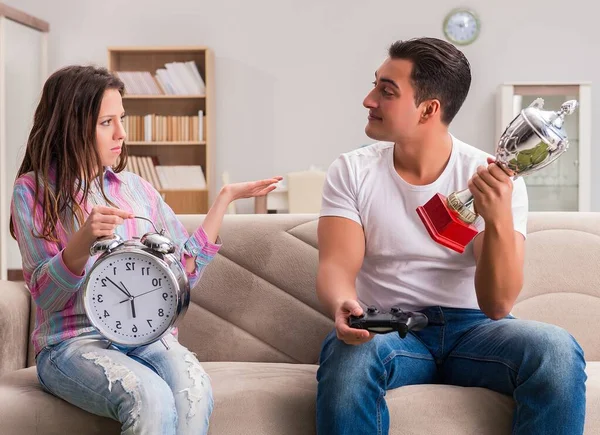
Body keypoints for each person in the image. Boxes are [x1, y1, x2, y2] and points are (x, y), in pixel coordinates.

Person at [315, 37, 586, 435]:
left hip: (477, 329)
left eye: (386, 91)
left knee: (558, 350)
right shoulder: (351, 171)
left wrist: (496, 220)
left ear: (428, 109)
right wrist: (341, 303)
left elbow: (497, 304)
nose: (369, 100)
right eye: (375, 85)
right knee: (350, 353)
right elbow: (337, 264)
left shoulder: (494, 177)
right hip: (391, 328)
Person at [9, 65, 281, 435]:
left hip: (147, 336)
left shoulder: (137, 189)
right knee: (148, 395)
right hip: (71, 343)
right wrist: (82, 241)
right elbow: (47, 296)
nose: (122, 133)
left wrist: (224, 199)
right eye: (107, 122)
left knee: (193, 388)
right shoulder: (34, 190)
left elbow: (179, 274)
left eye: (121, 118)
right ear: (73, 125)